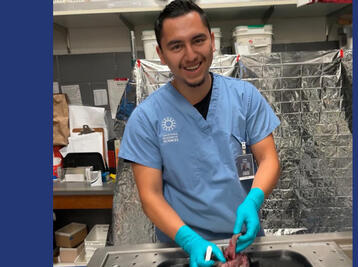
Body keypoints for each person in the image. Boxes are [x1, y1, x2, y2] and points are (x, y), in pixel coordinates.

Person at [118, 0, 281, 266]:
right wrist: (189, 240)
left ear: (212, 41)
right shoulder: (147, 118)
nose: (191, 55)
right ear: (161, 54)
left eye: (198, 40)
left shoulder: (245, 98)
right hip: (182, 250)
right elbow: (150, 196)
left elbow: (269, 159)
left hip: (244, 246)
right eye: (176, 46)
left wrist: (253, 200)